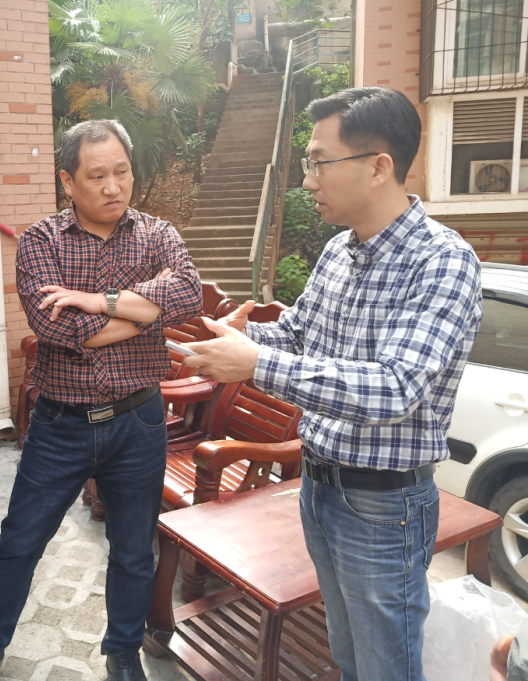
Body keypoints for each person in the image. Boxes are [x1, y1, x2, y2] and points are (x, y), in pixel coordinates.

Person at [183, 88, 483, 681]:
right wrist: (243, 340)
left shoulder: (442, 261)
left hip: (384, 505)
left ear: (378, 167)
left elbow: (396, 388)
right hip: (319, 488)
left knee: (386, 665)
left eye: (320, 162)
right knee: (348, 657)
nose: (307, 180)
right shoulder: (337, 252)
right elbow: (299, 335)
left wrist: (256, 364)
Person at [0, 119, 202, 681]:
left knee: (133, 549)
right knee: (19, 542)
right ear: (68, 181)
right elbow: (55, 328)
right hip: (61, 426)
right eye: (97, 175)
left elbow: (188, 294)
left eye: (121, 172)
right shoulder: (41, 240)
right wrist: (144, 315)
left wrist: (96, 300)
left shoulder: (157, 234)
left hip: (139, 421)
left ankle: (121, 652)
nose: (113, 186)